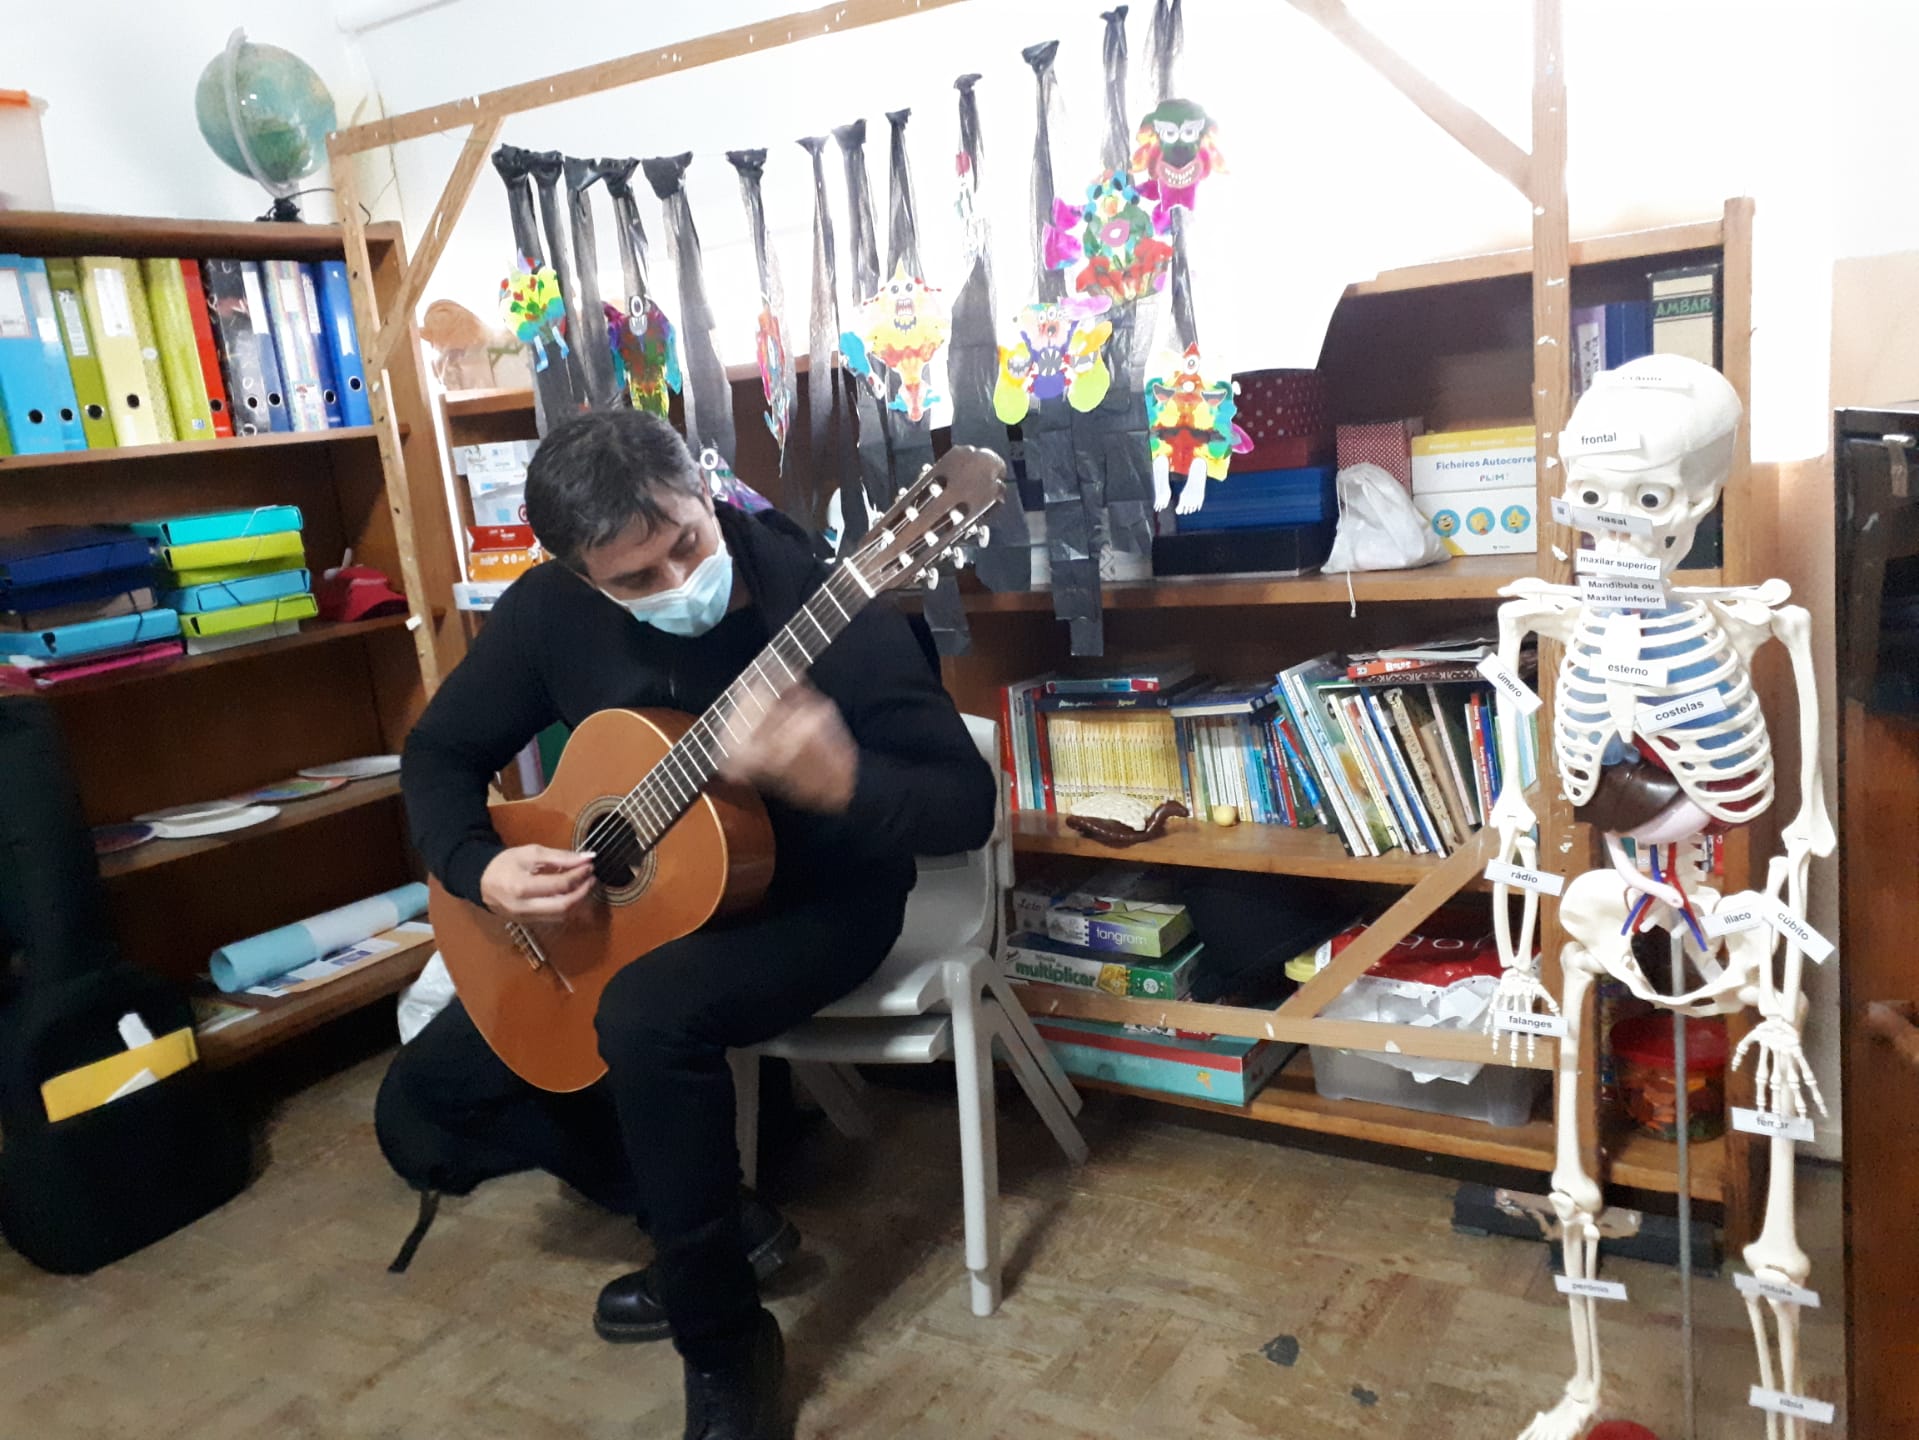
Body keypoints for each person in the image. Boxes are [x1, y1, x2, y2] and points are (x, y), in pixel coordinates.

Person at [378, 409, 995, 1440]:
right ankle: (706, 1217)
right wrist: (480, 868)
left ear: (705, 494)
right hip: (634, 908)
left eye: (687, 545)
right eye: (634, 579)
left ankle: (723, 1341)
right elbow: (438, 753)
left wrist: (841, 780)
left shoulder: (831, 607)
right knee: (419, 1108)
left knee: (643, 1017)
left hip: (821, 903)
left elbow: (962, 809)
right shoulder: (547, 615)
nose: (676, 583)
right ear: (578, 575)